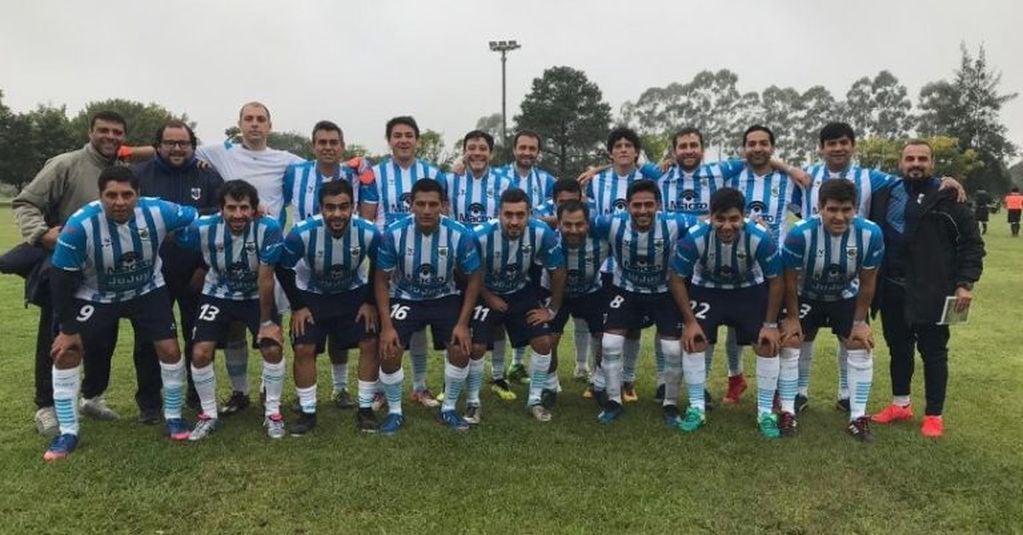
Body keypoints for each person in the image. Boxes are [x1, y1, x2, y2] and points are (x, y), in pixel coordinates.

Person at [791, 122, 963, 413]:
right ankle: (800, 392)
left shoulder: (872, 177)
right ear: (821, 148)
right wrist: (785, 166)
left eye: (843, 142)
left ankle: (847, 394)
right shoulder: (807, 176)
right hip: (810, 270)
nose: (837, 148)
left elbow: (912, 178)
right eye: (830, 143)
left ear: (853, 145)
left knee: (852, 337)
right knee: (804, 335)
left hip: (854, 269)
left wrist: (947, 179)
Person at [45, 166, 198, 460]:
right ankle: (67, 432)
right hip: (97, 295)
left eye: (127, 194)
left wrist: (251, 213)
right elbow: (61, 277)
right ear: (100, 196)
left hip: (147, 291)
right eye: (111, 195)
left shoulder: (159, 211)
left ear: (138, 195)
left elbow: (197, 217)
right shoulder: (80, 225)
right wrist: (67, 328)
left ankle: (174, 415)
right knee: (67, 352)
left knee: (169, 349)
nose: (119, 201)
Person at [13, 110, 137, 435]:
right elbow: (26, 202)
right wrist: (42, 234)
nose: (110, 137)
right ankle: (46, 406)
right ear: (90, 131)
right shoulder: (65, 164)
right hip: (67, 267)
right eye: (103, 130)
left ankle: (92, 396)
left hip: (106, 270)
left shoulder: (123, 171)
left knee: (103, 337)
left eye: (117, 132)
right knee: (56, 337)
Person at [194, 102, 303, 416]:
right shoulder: (221, 152)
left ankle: (271, 388)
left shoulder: (286, 159)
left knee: (271, 325)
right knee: (233, 331)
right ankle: (239, 392)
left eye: (261, 119)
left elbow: (324, 164)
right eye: (249, 119)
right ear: (239, 123)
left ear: (270, 125)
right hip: (229, 252)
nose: (255, 124)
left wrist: (358, 165)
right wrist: (129, 152)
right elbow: (179, 150)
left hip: (269, 252)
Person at [869, 140, 985, 438]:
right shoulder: (884, 194)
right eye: (910, 158)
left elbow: (972, 245)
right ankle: (900, 404)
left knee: (934, 352)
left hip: (934, 289)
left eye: (923, 159)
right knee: (899, 348)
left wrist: (964, 284)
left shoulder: (949, 197)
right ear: (900, 162)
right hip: (892, 288)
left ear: (932, 164)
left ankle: (934, 414)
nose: (916, 164)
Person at [668, 188, 786, 436]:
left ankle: (765, 412)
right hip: (707, 290)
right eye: (720, 219)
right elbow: (676, 279)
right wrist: (689, 322)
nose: (727, 226)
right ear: (710, 216)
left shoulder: (760, 237)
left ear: (743, 216)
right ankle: (697, 408)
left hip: (748, 291)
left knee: (766, 344)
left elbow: (776, 280)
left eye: (734, 219)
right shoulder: (695, 237)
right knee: (694, 341)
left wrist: (771, 325)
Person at [176, 180, 287, 440]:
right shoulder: (202, 227)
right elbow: (174, 235)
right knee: (201, 352)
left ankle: (272, 413)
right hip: (217, 294)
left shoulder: (268, 228)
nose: (238, 215)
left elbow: (266, 277)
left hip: (254, 294)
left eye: (244, 208)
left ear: (254, 209)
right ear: (221, 209)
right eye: (231, 208)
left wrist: (267, 321)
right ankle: (208, 414)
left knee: (271, 346)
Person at [780, 179, 885, 442]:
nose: (839, 216)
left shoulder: (871, 233)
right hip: (807, 295)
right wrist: (792, 318)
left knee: (860, 343)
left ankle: (857, 416)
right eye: (832, 209)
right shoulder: (800, 233)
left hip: (844, 295)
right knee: (792, 341)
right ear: (819, 208)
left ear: (856, 209)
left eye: (846, 210)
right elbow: (789, 280)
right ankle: (790, 407)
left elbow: (869, 281)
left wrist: (860, 321)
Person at [374, 179, 482, 434]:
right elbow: (380, 280)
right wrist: (387, 326)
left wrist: (463, 324)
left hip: (444, 296)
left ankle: (449, 409)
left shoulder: (459, 233)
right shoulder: (394, 233)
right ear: (410, 205)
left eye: (433, 204)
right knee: (389, 350)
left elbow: (475, 278)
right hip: (405, 297)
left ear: (443, 206)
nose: (426, 210)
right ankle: (394, 412)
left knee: (461, 347)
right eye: (420, 204)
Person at [133, 120, 224, 418]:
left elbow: (223, 218)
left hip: (195, 273)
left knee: (196, 336)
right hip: (151, 274)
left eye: (183, 143)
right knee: (149, 339)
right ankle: (149, 402)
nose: (177, 148)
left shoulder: (206, 175)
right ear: (158, 145)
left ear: (191, 145)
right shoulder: (141, 175)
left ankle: (197, 396)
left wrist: (204, 266)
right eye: (170, 142)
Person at [281, 120, 375, 410]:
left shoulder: (356, 173)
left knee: (342, 339)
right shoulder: (294, 173)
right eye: (322, 142)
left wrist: (367, 167)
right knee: (304, 342)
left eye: (334, 142)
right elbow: (277, 203)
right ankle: (303, 400)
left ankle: (341, 389)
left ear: (343, 146)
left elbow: (371, 204)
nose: (328, 147)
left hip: (350, 272)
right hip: (307, 275)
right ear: (313, 146)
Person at [276, 180, 381, 434]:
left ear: (353, 207)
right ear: (320, 208)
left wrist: (369, 301)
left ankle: (365, 409)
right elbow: (283, 266)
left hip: (352, 295)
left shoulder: (369, 231)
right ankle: (307, 411)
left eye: (344, 207)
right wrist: (299, 306)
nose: (337, 214)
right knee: (303, 347)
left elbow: (380, 266)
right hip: (312, 297)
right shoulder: (302, 232)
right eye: (330, 207)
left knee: (370, 342)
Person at [591, 179, 694, 423]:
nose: (643, 210)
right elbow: (577, 223)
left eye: (649, 204)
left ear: (658, 205)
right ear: (627, 206)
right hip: (625, 291)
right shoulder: (611, 223)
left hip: (663, 292)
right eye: (637, 205)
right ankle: (614, 400)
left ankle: (670, 403)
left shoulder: (675, 223)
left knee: (671, 348)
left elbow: (707, 223)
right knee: (610, 343)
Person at [360, 116, 447, 408]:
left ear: (418, 140)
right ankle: (384, 390)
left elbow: (443, 215)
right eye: (397, 135)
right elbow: (369, 218)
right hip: (388, 257)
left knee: (420, 323)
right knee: (388, 326)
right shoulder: (375, 174)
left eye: (409, 135)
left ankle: (420, 387)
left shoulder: (434, 173)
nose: (403, 140)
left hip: (425, 255)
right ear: (389, 140)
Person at [469, 188, 566, 422]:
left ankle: (535, 400)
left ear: (529, 214)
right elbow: (467, 273)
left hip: (520, 292)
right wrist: (488, 296)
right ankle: (473, 402)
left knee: (543, 343)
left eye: (520, 215)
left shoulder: (542, 233)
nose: (514, 221)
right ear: (499, 214)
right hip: (486, 292)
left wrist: (551, 309)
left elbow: (559, 271)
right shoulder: (479, 235)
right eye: (508, 215)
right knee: (477, 347)